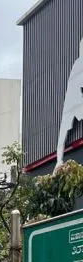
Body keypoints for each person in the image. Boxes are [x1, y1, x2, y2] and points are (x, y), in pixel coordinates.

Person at [56, 37, 83, 169]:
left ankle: (59, 160)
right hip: (73, 102)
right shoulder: (78, 65)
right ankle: (58, 160)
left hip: (74, 102)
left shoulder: (77, 64)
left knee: (62, 133)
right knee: (62, 133)